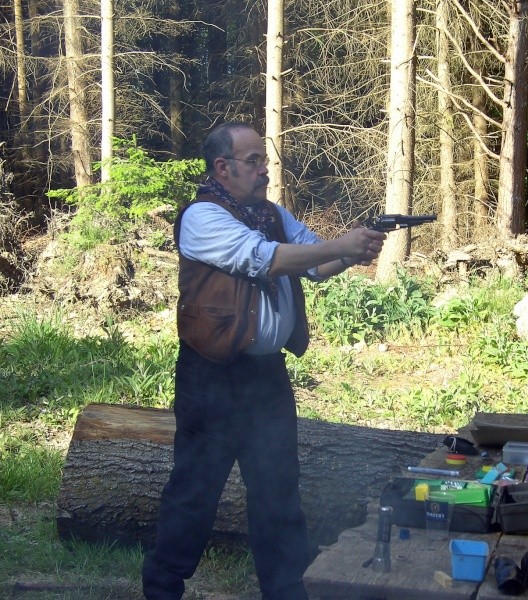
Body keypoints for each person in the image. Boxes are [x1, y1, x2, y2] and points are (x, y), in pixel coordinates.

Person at [141, 121, 386, 600]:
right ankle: (162, 588)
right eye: (253, 161)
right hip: (211, 377)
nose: (264, 171)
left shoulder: (270, 213)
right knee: (194, 493)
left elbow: (314, 263)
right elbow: (263, 259)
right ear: (223, 167)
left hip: (265, 378)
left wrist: (356, 250)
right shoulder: (201, 217)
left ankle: (286, 591)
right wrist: (340, 246)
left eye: (264, 161)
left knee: (278, 492)